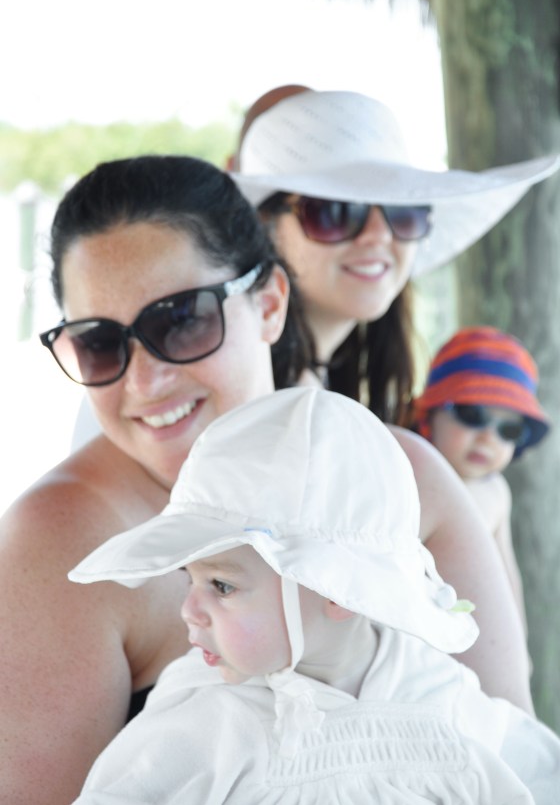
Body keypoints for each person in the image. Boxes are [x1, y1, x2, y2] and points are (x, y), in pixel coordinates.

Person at [230, 85, 560, 708]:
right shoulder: (252, 394)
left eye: (403, 213)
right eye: (336, 212)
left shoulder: (323, 388)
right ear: (263, 227)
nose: (379, 235)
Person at [70, 388, 560, 804]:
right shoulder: (202, 720)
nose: (189, 610)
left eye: (221, 585)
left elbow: (539, 773)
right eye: (190, 579)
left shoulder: (439, 695)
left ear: (337, 589)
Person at [0, 154, 312, 804]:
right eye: (100, 342)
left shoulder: (408, 481)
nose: (144, 381)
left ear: (271, 303)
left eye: (182, 318)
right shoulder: (61, 545)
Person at [412, 326, 551, 633]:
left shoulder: (496, 491)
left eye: (509, 430)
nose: (488, 436)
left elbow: (507, 578)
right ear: (429, 414)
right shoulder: (410, 472)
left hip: (471, 635)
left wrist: (518, 644)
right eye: (473, 415)